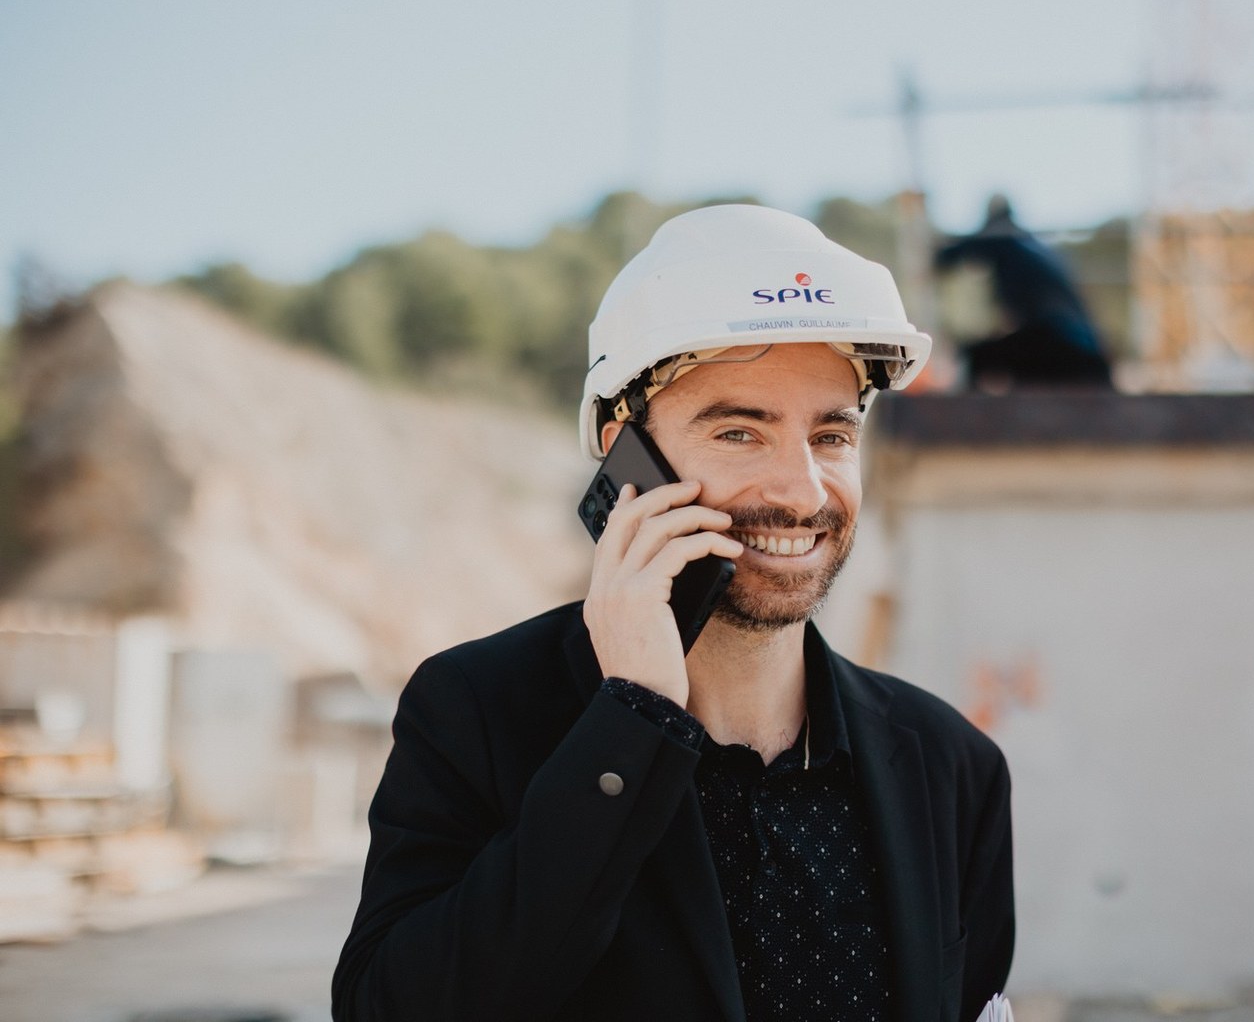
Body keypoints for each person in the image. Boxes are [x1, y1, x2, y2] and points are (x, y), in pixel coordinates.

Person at [332, 205, 1015, 1022]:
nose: (801, 491)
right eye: (737, 432)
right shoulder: (476, 711)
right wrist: (632, 725)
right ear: (631, 459)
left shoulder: (951, 767)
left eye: (831, 437)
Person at [936, 194, 1112, 389]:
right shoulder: (1034, 246)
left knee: (975, 356)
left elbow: (950, 256)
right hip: (1084, 350)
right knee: (1007, 357)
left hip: (1063, 342)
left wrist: (932, 254)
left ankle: (962, 416)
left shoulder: (1003, 238)